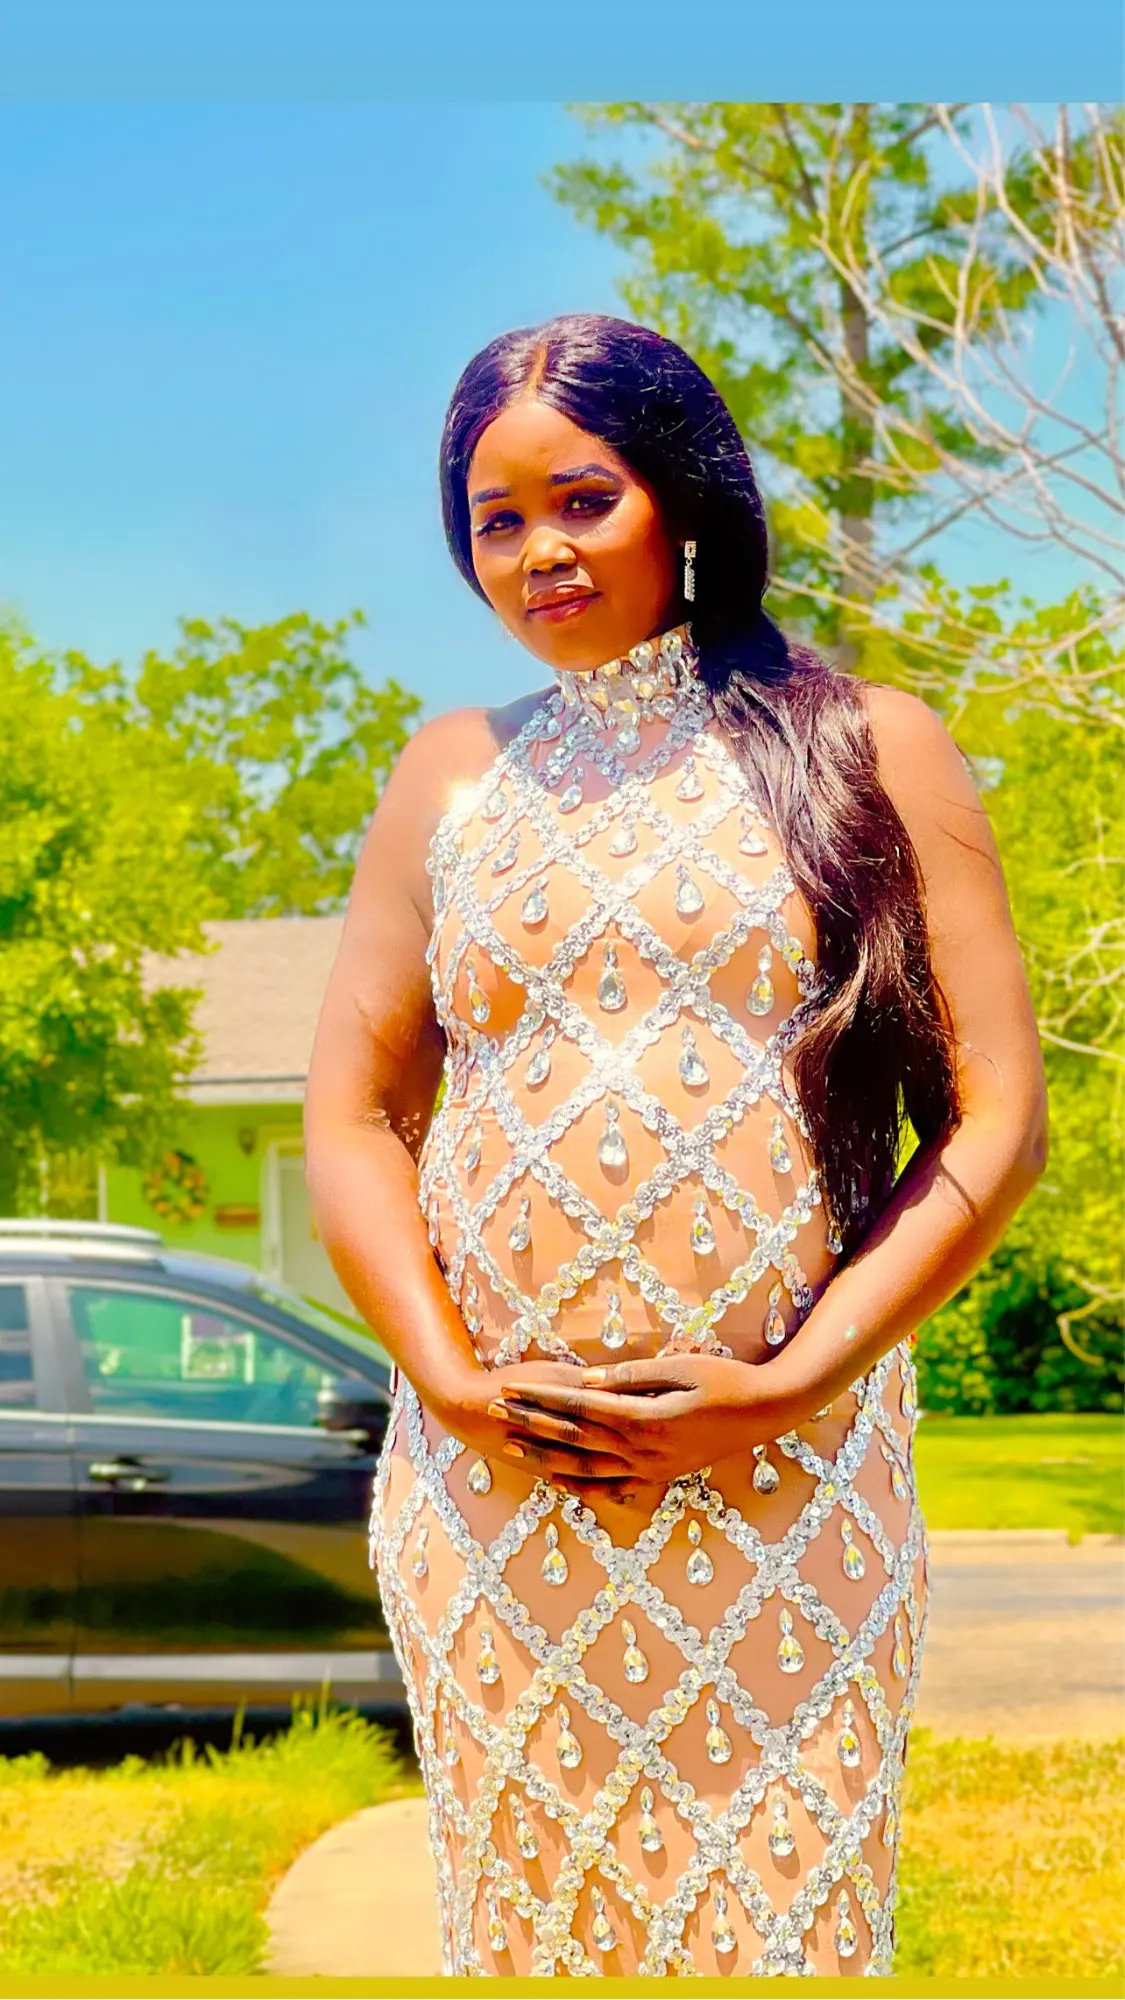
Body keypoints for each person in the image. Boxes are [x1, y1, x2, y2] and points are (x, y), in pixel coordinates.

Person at [303, 312, 1047, 1977]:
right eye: (498, 520)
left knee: (779, 1932)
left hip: (790, 1479)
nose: (540, 553)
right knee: (538, 1940)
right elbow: (349, 1118)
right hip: (498, 1499)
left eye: (585, 500)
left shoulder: (868, 746)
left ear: (686, 495)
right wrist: (451, 1387)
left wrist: (788, 1387)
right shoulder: (450, 776)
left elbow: (996, 1121)